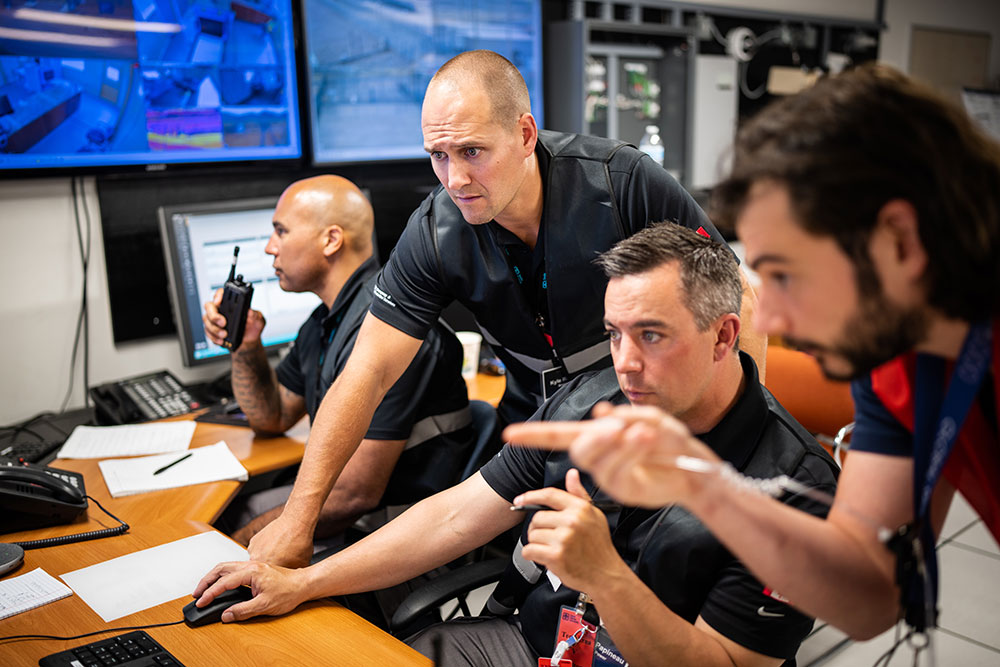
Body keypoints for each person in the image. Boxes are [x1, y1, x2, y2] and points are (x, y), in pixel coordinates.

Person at [192, 224, 837, 667]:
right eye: (614, 334)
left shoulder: (796, 495)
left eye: (653, 336)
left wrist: (606, 577)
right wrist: (301, 581)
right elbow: (453, 517)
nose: (627, 364)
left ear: (725, 337)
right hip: (539, 643)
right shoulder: (589, 402)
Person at [505, 63, 1000, 640]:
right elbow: (870, 599)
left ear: (900, 241)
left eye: (788, 276)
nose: (773, 320)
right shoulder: (895, 363)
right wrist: (703, 484)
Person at [247, 49, 764, 567]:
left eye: (472, 152)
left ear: (524, 134)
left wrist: (741, 446)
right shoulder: (434, 232)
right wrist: (298, 519)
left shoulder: (620, 182)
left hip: (639, 421)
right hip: (532, 435)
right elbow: (368, 371)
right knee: (526, 587)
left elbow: (738, 298)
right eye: (438, 155)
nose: (455, 180)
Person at [202, 174, 473, 547]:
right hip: (350, 513)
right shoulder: (324, 323)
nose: (269, 248)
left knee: (231, 533)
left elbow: (354, 496)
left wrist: (240, 546)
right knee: (233, 514)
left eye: (280, 231)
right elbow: (274, 416)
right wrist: (246, 344)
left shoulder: (394, 332)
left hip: (387, 534)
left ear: (331, 240)